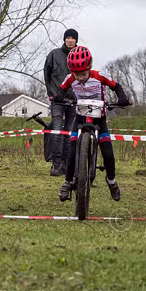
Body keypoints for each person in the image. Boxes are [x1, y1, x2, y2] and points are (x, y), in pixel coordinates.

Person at [55, 46, 130, 202]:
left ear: (89, 68)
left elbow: (116, 86)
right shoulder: (70, 78)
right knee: (72, 148)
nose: (80, 78)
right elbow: (61, 89)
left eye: (83, 74)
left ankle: (111, 181)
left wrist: (121, 98)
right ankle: (67, 182)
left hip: (99, 117)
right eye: (77, 75)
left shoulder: (98, 76)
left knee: (108, 151)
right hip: (80, 116)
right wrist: (59, 97)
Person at [43, 29, 78, 176]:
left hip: (74, 101)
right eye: (68, 37)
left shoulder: (79, 55)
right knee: (57, 130)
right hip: (57, 100)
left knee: (70, 133)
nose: (70, 40)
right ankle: (56, 164)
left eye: (73, 38)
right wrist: (52, 93)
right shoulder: (54, 54)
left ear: (76, 40)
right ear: (64, 39)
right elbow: (47, 75)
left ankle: (66, 164)